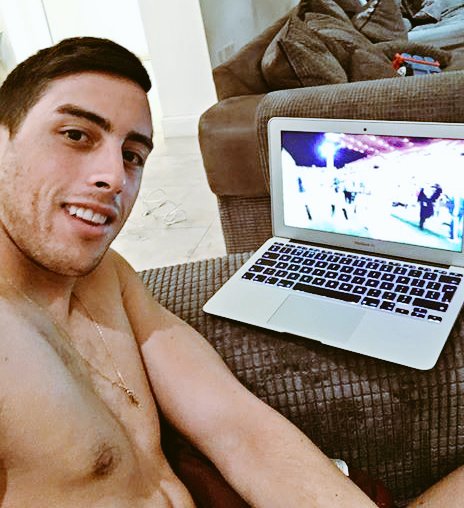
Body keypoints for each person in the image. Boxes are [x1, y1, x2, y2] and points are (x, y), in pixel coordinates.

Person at [0, 36, 457, 508]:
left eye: (132, 155)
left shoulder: (108, 276)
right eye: (76, 135)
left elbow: (235, 425)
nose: (114, 177)